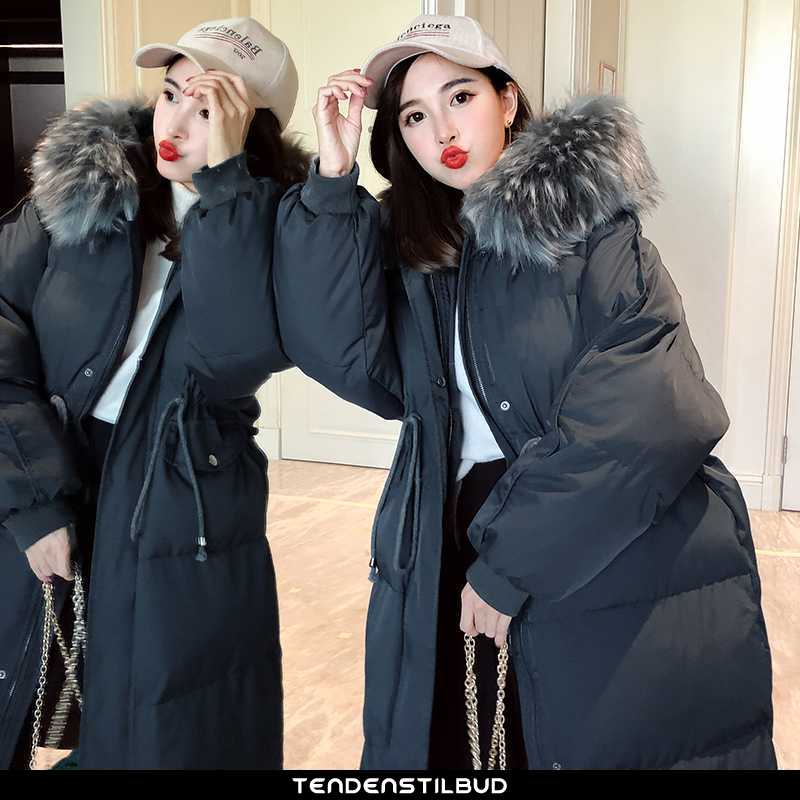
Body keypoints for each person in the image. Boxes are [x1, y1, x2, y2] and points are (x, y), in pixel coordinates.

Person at [273, 14, 777, 769]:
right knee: (458, 741)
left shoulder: (593, 231)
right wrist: (333, 181)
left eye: (460, 97)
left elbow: (650, 413)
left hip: (584, 530)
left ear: (507, 100)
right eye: (414, 116)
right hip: (448, 524)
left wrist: (515, 564)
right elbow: (341, 355)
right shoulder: (418, 250)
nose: (442, 129)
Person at [0, 16, 307, 768]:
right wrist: (35, 501)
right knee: (18, 680)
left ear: (250, 128)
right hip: (41, 455)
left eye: (208, 108)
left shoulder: (273, 229)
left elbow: (236, 357)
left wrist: (227, 190)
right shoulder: (83, 193)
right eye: (170, 94)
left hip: (182, 491)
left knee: (154, 721)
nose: (172, 123)